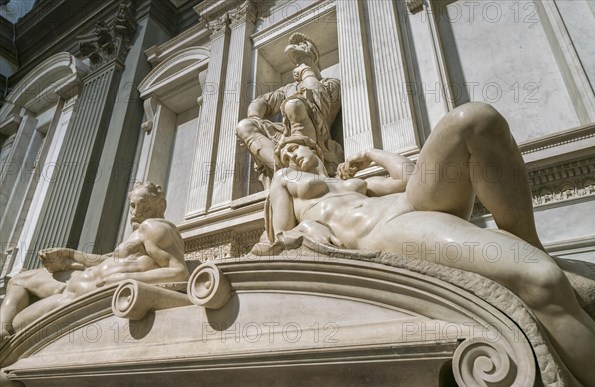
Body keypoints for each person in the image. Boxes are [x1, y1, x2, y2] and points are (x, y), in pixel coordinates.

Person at [257, 102, 595, 387]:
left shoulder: (352, 182)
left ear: (315, 150)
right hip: (385, 231)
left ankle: (529, 240)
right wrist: (307, 227)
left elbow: (409, 176)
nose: (289, 154)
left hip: (409, 205)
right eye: (284, 153)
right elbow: (280, 235)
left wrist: (369, 154)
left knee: (475, 119)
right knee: (540, 280)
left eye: (295, 148)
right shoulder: (285, 181)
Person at [0, 182, 189, 341]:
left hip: (80, 295)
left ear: (160, 206)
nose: (136, 213)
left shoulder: (155, 227)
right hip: (80, 278)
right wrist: (71, 256)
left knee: (17, 325)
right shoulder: (138, 233)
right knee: (19, 279)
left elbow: (180, 273)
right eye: (133, 206)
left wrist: (124, 278)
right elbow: (111, 260)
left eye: (144, 207)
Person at [236, 32, 343, 180]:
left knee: (293, 105)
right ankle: (282, 169)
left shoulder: (331, 83)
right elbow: (262, 102)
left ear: (315, 58)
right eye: (298, 63)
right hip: (287, 138)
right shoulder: (288, 88)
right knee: (244, 126)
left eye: (303, 62)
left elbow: (319, 104)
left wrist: (307, 72)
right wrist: (255, 117)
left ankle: (305, 167)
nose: (299, 66)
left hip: (318, 140)